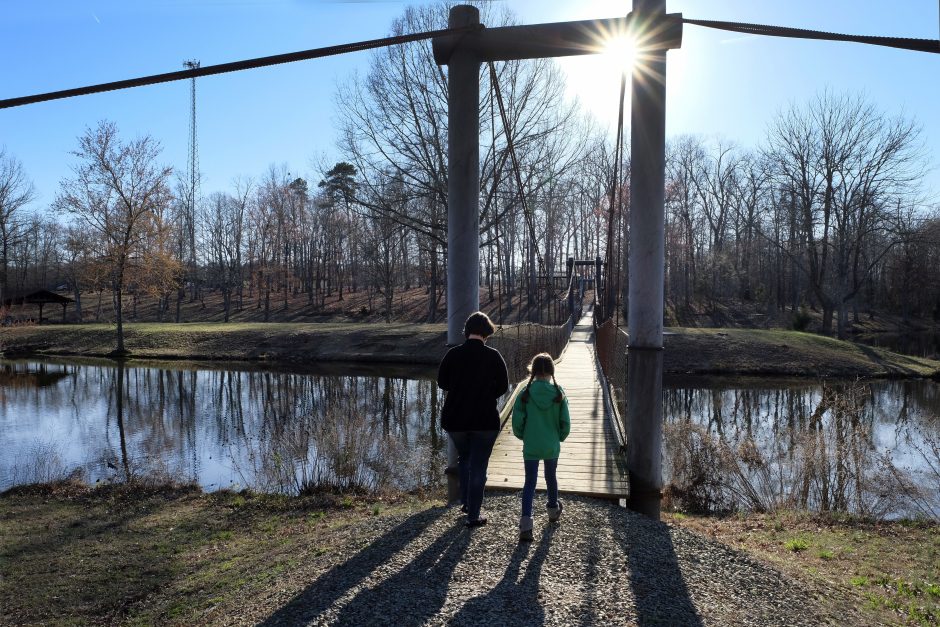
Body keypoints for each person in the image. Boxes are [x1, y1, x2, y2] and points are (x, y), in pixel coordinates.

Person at [437, 311, 509, 528]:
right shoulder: (494, 355)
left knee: (464, 460)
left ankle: (467, 503)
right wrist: (486, 394)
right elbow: (503, 386)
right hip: (484, 420)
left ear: (467, 331)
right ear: (487, 332)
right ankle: (473, 515)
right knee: (479, 466)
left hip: (456, 419)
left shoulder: (453, 354)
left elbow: (442, 383)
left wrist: (460, 390)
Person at [511, 352, 570, 542]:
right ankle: (553, 511)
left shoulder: (525, 394)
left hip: (532, 445)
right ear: (552, 371)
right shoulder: (559, 393)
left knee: (530, 483)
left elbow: (517, 421)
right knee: (551, 477)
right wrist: (559, 437)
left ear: (533, 371)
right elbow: (565, 422)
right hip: (551, 445)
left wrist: (523, 436)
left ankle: (526, 526)